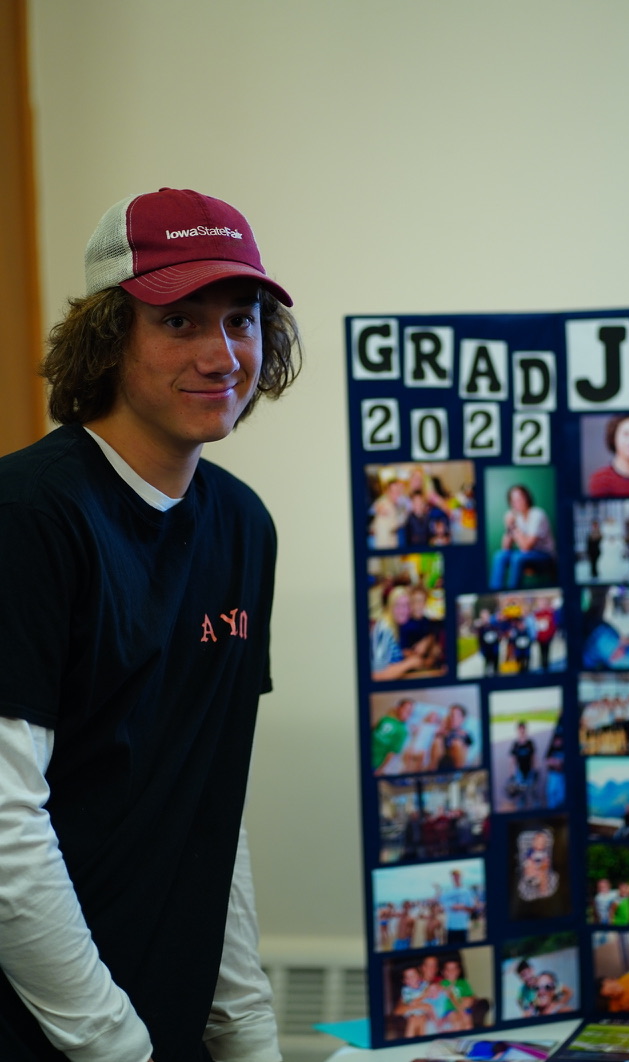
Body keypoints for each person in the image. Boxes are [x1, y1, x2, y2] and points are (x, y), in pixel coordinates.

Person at [0, 188, 303, 1061]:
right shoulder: (30, 517)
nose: (222, 355)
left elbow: (213, 800)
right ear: (108, 337)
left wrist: (245, 1030)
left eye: (241, 320)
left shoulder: (243, 526)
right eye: (179, 322)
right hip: (50, 1026)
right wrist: (114, 1044)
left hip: (158, 1017)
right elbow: (7, 824)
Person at [489, 485, 556, 590]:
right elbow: (505, 548)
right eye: (513, 501)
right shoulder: (517, 517)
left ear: (527, 498)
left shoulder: (537, 514)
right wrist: (508, 526)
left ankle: (513, 592)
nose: (517, 503)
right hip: (525, 555)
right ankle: (495, 591)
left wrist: (514, 527)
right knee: (499, 556)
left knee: (517, 557)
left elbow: (526, 547)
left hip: (545, 556)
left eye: (519, 499)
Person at [371, 698, 415, 774]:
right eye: (407, 709)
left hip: (374, 763)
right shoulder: (385, 718)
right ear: (398, 708)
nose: (409, 713)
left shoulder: (402, 731)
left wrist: (380, 770)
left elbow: (391, 753)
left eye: (411, 712)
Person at [439, 869, 477, 946]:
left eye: (457, 876)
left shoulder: (467, 892)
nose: (456, 878)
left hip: (463, 927)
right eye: (454, 876)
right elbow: (440, 908)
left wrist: (462, 907)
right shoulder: (447, 892)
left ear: (461, 877)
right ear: (452, 878)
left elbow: (473, 909)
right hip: (450, 927)